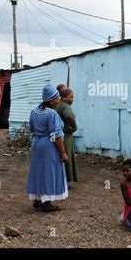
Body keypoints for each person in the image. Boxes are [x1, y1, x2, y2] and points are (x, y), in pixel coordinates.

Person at [26, 84, 69, 212]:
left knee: (38, 170)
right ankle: (47, 203)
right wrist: (63, 153)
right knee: (49, 171)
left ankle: (38, 200)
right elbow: (56, 136)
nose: (59, 100)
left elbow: (32, 128)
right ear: (50, 100)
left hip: (36, 143)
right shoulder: (52, 114)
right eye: (57, 98)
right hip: (48, 145)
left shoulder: (34, 111)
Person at [56, 88, 78, 187]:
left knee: (59, 157)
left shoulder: (58, 105)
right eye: (71, 97)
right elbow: (69, 116)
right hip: (66, 136)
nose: (73, 99)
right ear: (64, 98)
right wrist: (74, 127)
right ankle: (66, 182)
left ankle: (59, 180)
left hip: (58, 136)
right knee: (66, 157)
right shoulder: (66, 106)